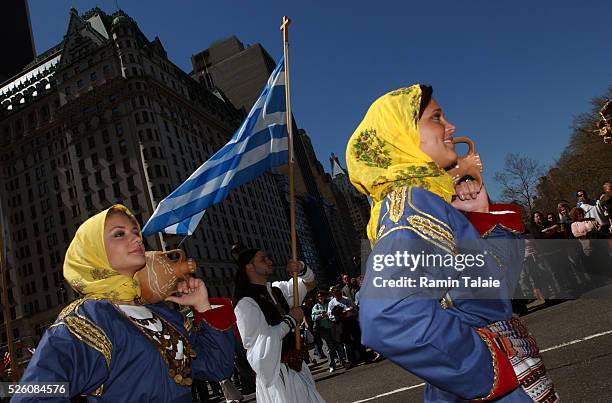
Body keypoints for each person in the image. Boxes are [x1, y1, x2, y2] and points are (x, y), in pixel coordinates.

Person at [346, 85, 558, 402]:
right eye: (436, 117)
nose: (451, 127)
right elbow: (388, 316)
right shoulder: (413, 203)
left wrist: (483, 215)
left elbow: (494, 291)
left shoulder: (434, 202)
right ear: (402, 135)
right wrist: (488, 368)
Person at [14, 205, 236, 402]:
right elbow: (34, 393)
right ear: (93, 251)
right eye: (119, 234)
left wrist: (203, 306)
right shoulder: (86, 319)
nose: (137, 239)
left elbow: (216, 366)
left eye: (135, 232)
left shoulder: (159, 313)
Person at [231, 244, 326, 403]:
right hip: (276, 377)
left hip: (297, 369)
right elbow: (259, 347)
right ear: (249, 267)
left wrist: (301, 268)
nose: (269, 261)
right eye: (263, 259)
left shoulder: (277, 289)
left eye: (268, 257)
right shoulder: (245, 303)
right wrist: (289, 320)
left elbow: (310, 284)